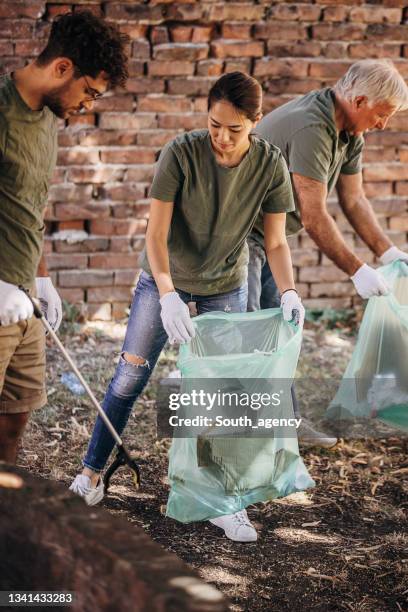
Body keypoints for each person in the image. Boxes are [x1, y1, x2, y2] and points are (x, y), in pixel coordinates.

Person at [70, 71, 305, 542]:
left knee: (224, 393)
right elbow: (155, 235)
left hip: (224, 283)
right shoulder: (180, 153)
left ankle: (224, 500)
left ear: (255, 123)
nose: (221, 137)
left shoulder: (270, 165)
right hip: (164, 282)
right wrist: (169, 293)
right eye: (214, 124)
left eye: (234, 129)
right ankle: (91, 476)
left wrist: (288, 290)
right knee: (129, 377)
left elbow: (276, 243)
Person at [247, 59, 408, 447]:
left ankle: (284, 426)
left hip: (271, 239)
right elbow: (314, 214)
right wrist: (357, 270)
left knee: (280, 332)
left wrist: (388, 254)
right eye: (381, 115)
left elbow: (353, 199)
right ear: (360, 99)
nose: (383, 124)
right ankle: (243, 440)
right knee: (251, 335)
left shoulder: (350, 131)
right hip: (240, 238)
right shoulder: (313, 126)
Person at [0, 11, 129, 463]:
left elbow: (29, 207)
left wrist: (41, 277)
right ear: (61, 69)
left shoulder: (48, 120)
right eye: (89, 92)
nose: (88, 104)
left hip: (21, 299)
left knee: (15, 418)